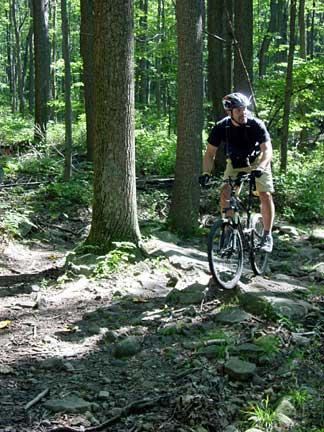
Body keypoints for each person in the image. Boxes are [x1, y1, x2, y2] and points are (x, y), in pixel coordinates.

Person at [199, 92, 275, 253]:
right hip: (235, 162)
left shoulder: (256, 124)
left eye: (245, 109)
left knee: (265, 194)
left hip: (257, 161)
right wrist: (206, 173)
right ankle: (229, 229)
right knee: (225, 191)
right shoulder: (221, 127)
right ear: (230, 112)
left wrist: (261, 167)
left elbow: (267, 150)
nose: (243, 113)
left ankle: (267, 235)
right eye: (239, 110)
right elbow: (209, 154)